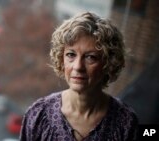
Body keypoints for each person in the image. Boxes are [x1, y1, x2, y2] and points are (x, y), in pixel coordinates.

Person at [19, 12, 139, 141]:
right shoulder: (38, 114)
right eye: (71, 55)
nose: (78, 67)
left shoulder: (126, 122)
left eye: (90, 57)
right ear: (61, 59)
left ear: (108, 63)